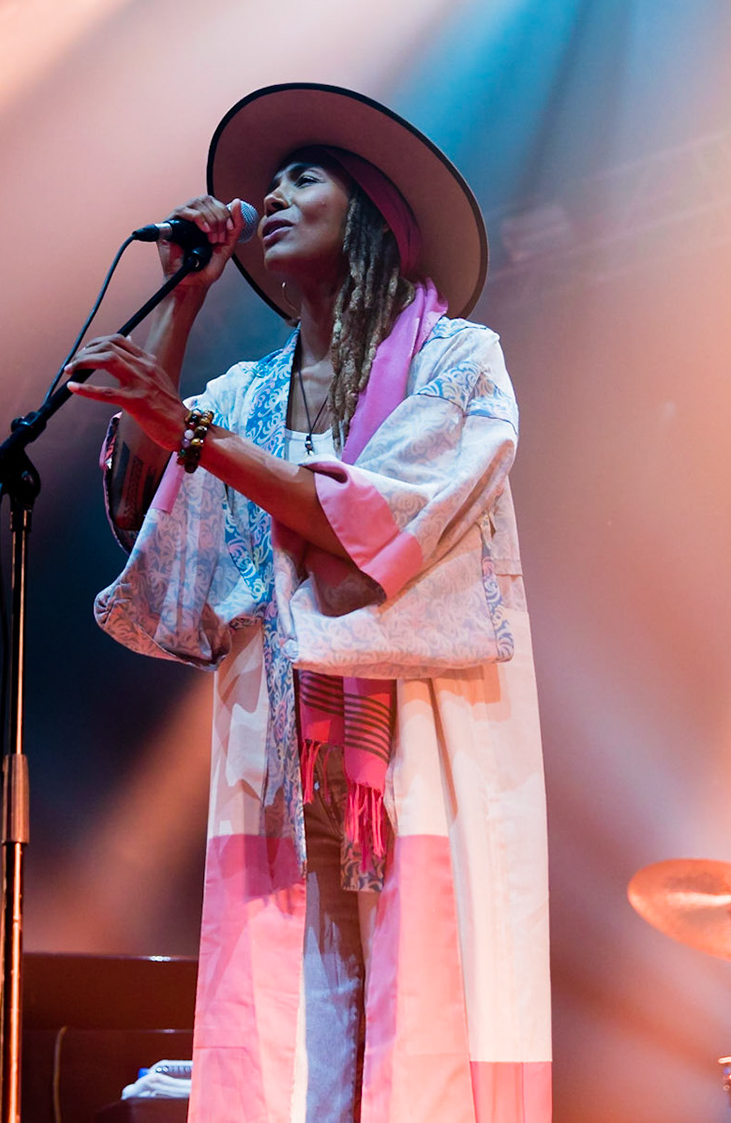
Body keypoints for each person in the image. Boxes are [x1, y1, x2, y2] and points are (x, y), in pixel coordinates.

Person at [72, 84, 549, 1123]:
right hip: (278, 748)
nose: (271, 198)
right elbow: (154, 505)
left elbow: (374, 521)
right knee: (290, 1043)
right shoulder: (244, 391)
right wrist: (182, 305)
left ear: (374, 210)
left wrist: (188, 429)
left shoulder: (458, 360)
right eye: (272, 180)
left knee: (424, 1025)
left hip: (415, 739)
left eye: (304, 176)